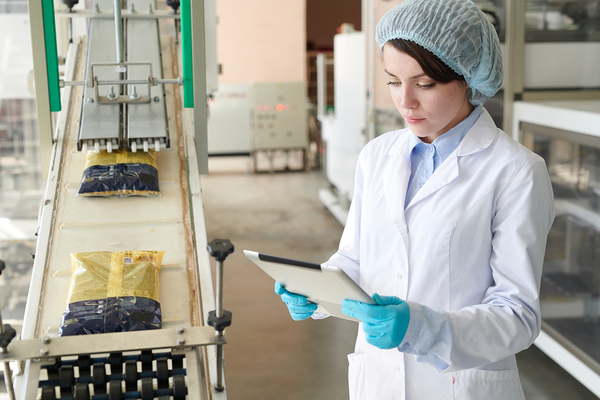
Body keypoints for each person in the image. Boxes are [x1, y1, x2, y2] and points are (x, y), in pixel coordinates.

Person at [275, 0, 555, 398]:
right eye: (393, 81)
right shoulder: (377, 155)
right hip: (379, 380)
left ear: (468, 78)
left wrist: (426, 329)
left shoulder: (516, 171)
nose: (405, 101)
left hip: (459, 385)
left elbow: (519, 314)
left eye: (424, 84)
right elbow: (355, 257)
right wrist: (316, 290)